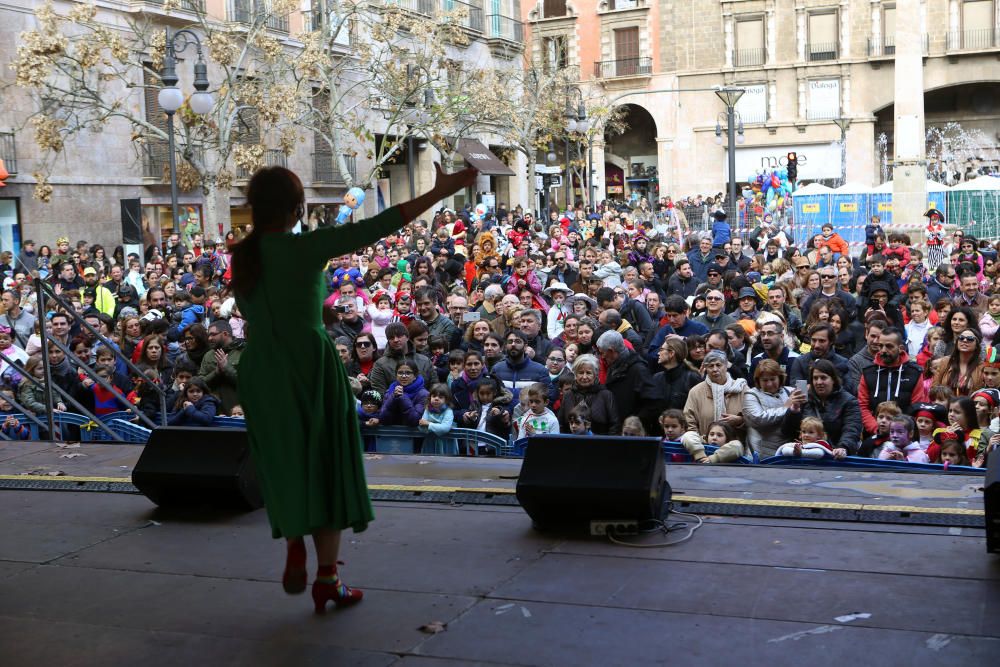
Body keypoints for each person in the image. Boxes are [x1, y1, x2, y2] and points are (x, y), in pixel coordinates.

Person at [230, 163, 476, 613]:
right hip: (307, 363)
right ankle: (328, 577)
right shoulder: (306, 248)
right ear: (295, 207)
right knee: (326, 461)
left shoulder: (240, 256)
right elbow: (381, 224)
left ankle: (293, 539)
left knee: (282, 457)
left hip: (261, 367)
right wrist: (440, 191)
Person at [781, 360, 861, 458]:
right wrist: (794, 410)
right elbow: (787, 432)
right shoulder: (804, 399)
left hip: (835, 457)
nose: (819, 382)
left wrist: (842, 448)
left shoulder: (849, 401)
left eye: (823, 378)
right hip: (806, 457)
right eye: (815, 378)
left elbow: (851, 430)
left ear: (833, 380)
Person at [743, 359, 803, 458]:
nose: (769, 384)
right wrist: (786, 408)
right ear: (758, 380)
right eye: (765, 380)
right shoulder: (751, 395)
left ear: (780, 378)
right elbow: (758, 419)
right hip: (760, 456)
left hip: (787, 453)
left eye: (772, 379)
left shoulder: (790, 392)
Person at [556, 354, 619, 435]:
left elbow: (615, 425)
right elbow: (561, 424)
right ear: (575, 375)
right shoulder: (568, 395)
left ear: (595, 375)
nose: (584, 377)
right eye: (581, 373)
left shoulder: (606, 395)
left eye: (588, 373)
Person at [419, 383, 458, 455]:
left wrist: (429, 424)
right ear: (430, 397)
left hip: (446, 442)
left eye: (440, 397)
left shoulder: (448, 411)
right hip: (430, 441)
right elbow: (422, 427)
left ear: (446, 400)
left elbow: (445, 428)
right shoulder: (427, 409)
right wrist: (428, 425)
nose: (436, 399)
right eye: (434, 396)